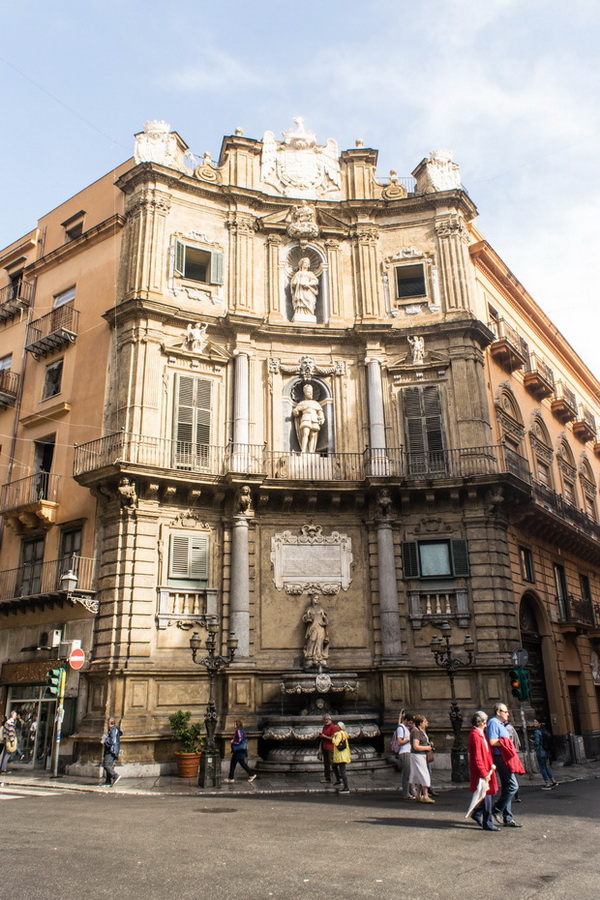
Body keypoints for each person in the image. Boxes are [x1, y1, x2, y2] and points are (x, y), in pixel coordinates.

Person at [486, 702, 523, 827]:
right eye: (505, 711)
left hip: (505, 757)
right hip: (500, 758)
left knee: (508, 786)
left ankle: (508, 818)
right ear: (498, 712)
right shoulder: (493, 722)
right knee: (513, 786)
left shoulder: (501, 724)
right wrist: (506, 743)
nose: (508, 714)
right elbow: (492, 741)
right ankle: (496, 809)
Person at [467, 710, 499, 831]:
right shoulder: (476, 735)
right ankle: (487, 822)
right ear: (480, 722)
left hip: (487, 769)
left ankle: (478, 814)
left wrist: (491, 765)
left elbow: (486, 752)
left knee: (487, 795)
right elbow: (477, 757)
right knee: (486, 797)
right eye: (485, 722)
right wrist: (484, 773)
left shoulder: (480, 734)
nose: (486, 725)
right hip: (482, 771)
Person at [408, 714, 435, 803]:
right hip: (417, 755)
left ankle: (419, 795)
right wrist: (427, 748)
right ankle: (425, 796)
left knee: (420, 775)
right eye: (425, 721)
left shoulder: (420, 731)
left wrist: (428, 744)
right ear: (420, 723)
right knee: (424, 774)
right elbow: (415, 746)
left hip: (421, 755)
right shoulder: (416, 731)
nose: (427, 723)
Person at [293, 383, 325, 454]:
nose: (311, 394)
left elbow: (320, 412)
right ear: (305, 393)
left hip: (314, 419)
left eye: (311, 392)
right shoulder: (302, 403)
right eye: (309, 392)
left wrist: (322, 418)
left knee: (313, 435)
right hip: (306, 418)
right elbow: (296, 411)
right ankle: (303, 450)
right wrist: (295, 412)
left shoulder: (315, 403)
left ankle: (311, 451)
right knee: (305, 433)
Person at [392, 711, 415, 799]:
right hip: (404, 753)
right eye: (410, 722)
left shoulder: (404, 727)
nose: (411, 724)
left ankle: (411, 792)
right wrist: (409, 739)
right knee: (406, 774)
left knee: (410, 773)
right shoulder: (401, 728)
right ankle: (406, 793)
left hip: (408, 752)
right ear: (406, 720)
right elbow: (399, 741)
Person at [302, 592, 329, 667]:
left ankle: (319, 655)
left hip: (320, 626)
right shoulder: (309, 609)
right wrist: (307, 619)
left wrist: (326, 621)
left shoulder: (320, 609)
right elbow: (304, 617)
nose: (316, 600)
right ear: (312, 599)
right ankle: (310, 654)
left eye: (317, 599)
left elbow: (325, 617)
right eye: (315, 598)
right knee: (312, 639)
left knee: (320, 640)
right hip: (313, 626)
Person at [532, 718, 557, 789]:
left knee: (542, 767)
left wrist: (532, 741)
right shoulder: (544, 730)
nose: (534, 723)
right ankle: (553, 781)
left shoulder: (537, 732)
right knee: (545, 766)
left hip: (540, 751)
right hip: (546, 751)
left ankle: (547, 783)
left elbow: (537, 742)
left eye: (536, 722)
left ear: (539, 724)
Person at [101, 717, 123, 787]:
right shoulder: (113, 730)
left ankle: (115, 776)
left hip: (111, 750)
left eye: (107, 723)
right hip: (112, 750)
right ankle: (108, 781)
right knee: (109, 765)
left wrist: (105, 740)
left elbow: (112, 741)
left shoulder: (113, 730)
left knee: (106, 765)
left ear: (110, 723)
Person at [331, 721, 351, 794]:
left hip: (341, 756)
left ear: (339, 727)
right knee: (334, 766)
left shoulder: (339, 734)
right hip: (343, 755)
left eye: (337, 725)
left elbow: (336, 743)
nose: (336, 726)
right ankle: (338, 780)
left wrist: (333, 738)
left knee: (343, 772)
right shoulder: (344, 733)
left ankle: (346, 787)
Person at [319, 714, 338, 784]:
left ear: (330, 720)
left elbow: (333, 738)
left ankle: (338, 778)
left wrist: (324, 736)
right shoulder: (325, 727)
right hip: (324, 747)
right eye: (325, 719)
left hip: (330, 747)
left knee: (332, 763)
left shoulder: (333, 727)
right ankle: (327, 778)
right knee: (326, 763)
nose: (326, 721)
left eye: (327, 719)